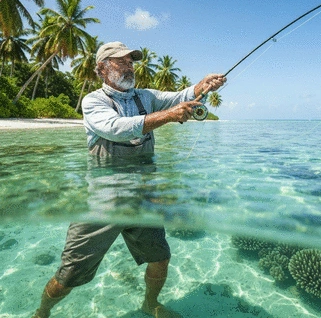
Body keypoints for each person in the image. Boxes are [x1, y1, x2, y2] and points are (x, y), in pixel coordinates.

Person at [32, 41, 226, 318]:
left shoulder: (145, 96)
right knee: (68, 276)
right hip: (101, 200)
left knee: (160, 258)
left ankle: (150, 304)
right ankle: (42, 312)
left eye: (131, 61)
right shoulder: (94, 101)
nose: (129, 66)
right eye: (120, 61)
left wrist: (202, 86)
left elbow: (181, 95)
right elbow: (113, 128)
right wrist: (168, 117)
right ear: (102, 68)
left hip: (143, 196)